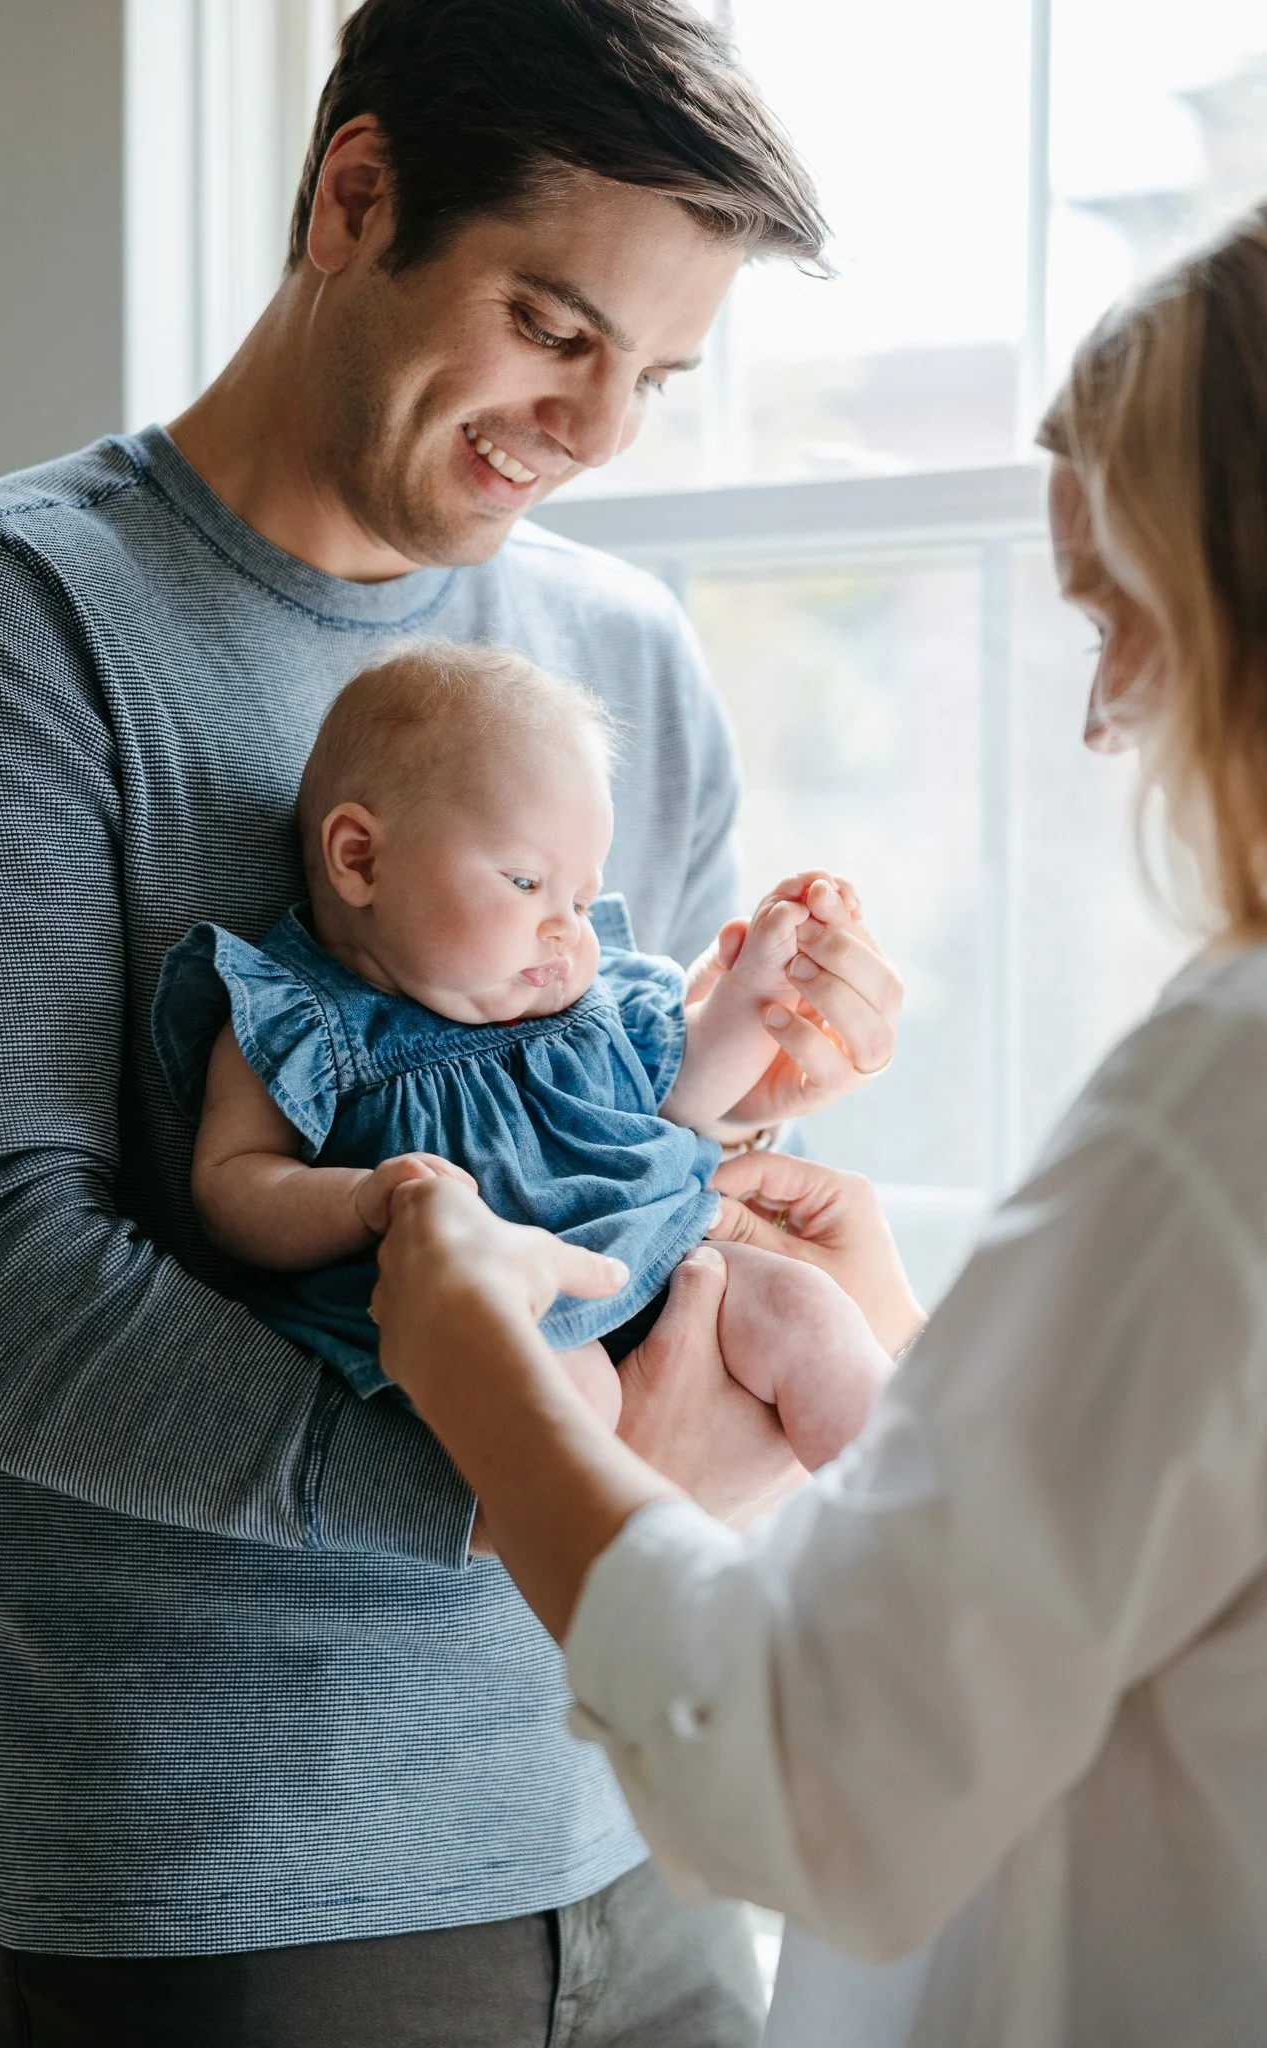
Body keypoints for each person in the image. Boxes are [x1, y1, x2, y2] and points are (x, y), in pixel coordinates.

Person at [0, 2, 904, 2042]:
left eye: (654, 373)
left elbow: (625, 1184)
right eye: (553, 326)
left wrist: (740, 1098)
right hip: (241, 1898)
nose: (595, 429)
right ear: (355, 197)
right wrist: (517, 1486)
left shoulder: (618, 651)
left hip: (648, 1807)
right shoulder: (4, 620)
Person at [369, 206, 1267, 2045]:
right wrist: (928, 1367)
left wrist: (493, 1394)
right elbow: (1173, 1543)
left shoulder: (1219, 1098)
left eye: (1127, 619)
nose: (1108, 713)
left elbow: (815, 1765)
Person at [153, 641, 884, 1466]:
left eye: (579, 895)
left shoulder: (582, 999)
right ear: (360, 858)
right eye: (526, 883)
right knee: (575, 1395)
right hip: (487, 1315)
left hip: (663, 1254)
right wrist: (360, 1202)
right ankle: (626, 1563)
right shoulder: (299, 1022)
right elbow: (230, 1188)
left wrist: (759, 986)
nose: (566, 927)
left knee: (809, 1311)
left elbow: (689, 1089)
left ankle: (907, 1537)